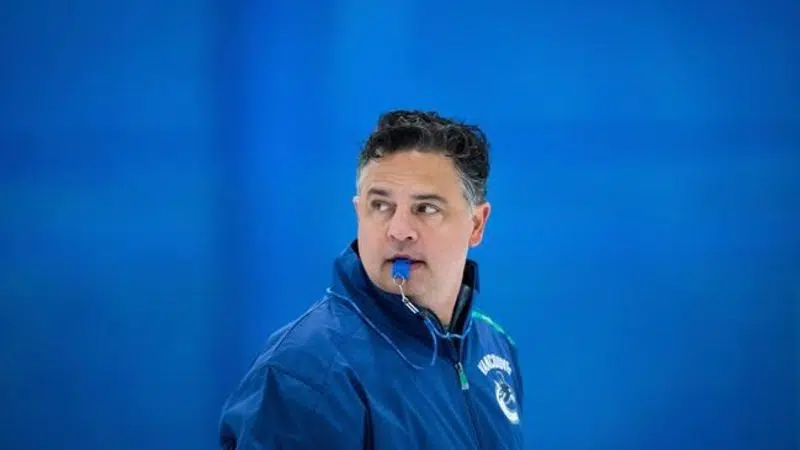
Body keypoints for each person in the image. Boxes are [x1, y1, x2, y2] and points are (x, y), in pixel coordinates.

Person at [218, 110, 525, 449]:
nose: (399, 231)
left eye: (426, 208)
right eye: (380, 206)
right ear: (358, 212)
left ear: (477, 224)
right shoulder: (308, 371)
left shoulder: (492, 345)